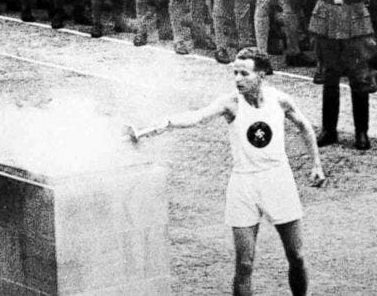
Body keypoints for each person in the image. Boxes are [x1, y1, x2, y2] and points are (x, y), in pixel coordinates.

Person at [127, 47, 324, 296]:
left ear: (261, 75)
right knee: (244, 264)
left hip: (278, 180)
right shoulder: (230, 103)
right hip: (244, 185)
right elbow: (197, 117)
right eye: (235, 73)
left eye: (245, 74)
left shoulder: (280, 100)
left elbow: (305, 126)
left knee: (296, 255)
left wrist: (316, 163)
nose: (238, 79)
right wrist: (165, 123)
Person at [293, 0, 377, 150]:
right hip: (327, 19)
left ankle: (362, 133)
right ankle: (329, 130)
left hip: (355, 19)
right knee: (329, 77)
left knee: (359, 79)